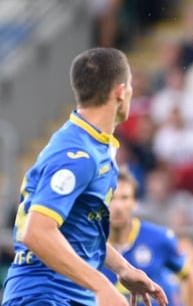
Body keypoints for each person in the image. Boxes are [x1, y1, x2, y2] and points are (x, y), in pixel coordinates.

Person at [1, 48, 168, 306]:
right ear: (120, 91)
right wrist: (101, 285)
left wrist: (123, 268)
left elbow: (77, 231)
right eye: (131, 87)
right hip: (43, 295)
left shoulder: (96, 147)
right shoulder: (77, 154)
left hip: (70, 294)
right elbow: (37, 232)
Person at [103, 167, 193, 306]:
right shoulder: (90, 243)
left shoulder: (160, 238)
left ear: (135, 203)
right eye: (112, 198)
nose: (118, 206)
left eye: (124, 198)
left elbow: (188, 274)